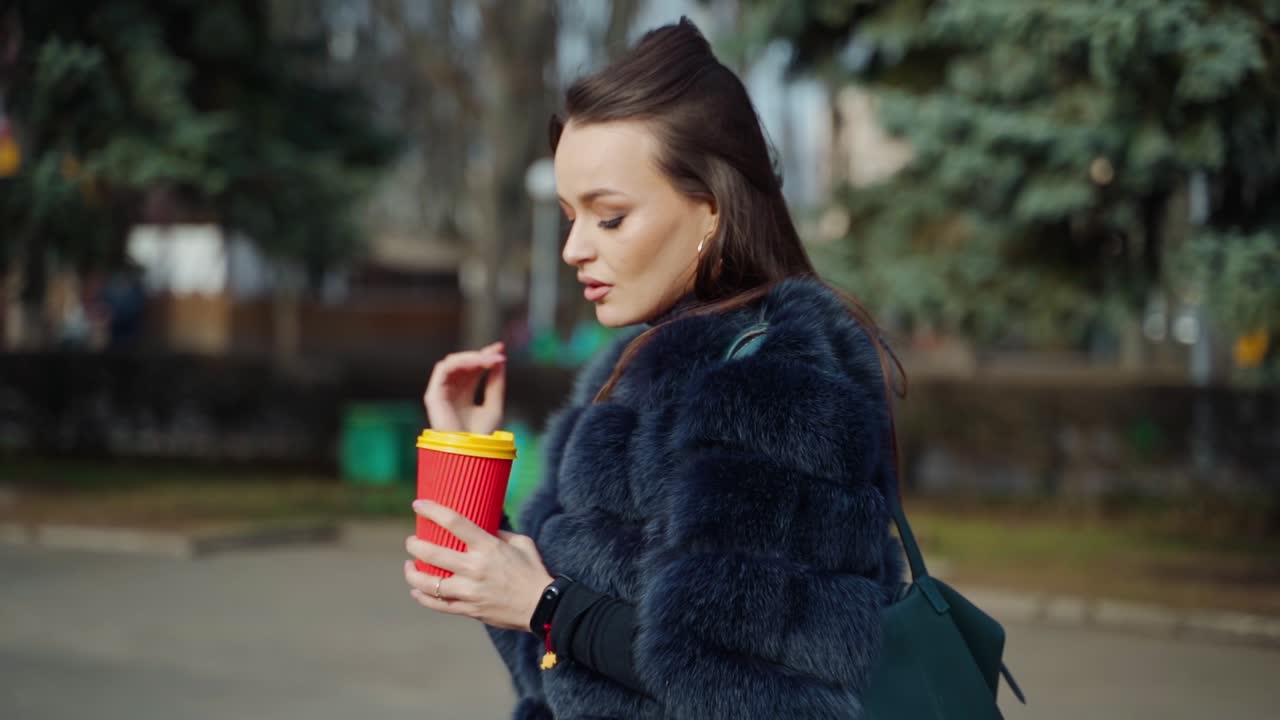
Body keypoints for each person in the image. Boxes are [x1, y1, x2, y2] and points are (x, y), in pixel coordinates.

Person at [405, 18, 905, 720]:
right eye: (569, 215)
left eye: (608, 217)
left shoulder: (769, 387)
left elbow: (767, 695)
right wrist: (471, 473)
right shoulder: (632, 372)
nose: (574, 248)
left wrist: (545, 605)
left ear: (710, 209)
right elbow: (553, 670)